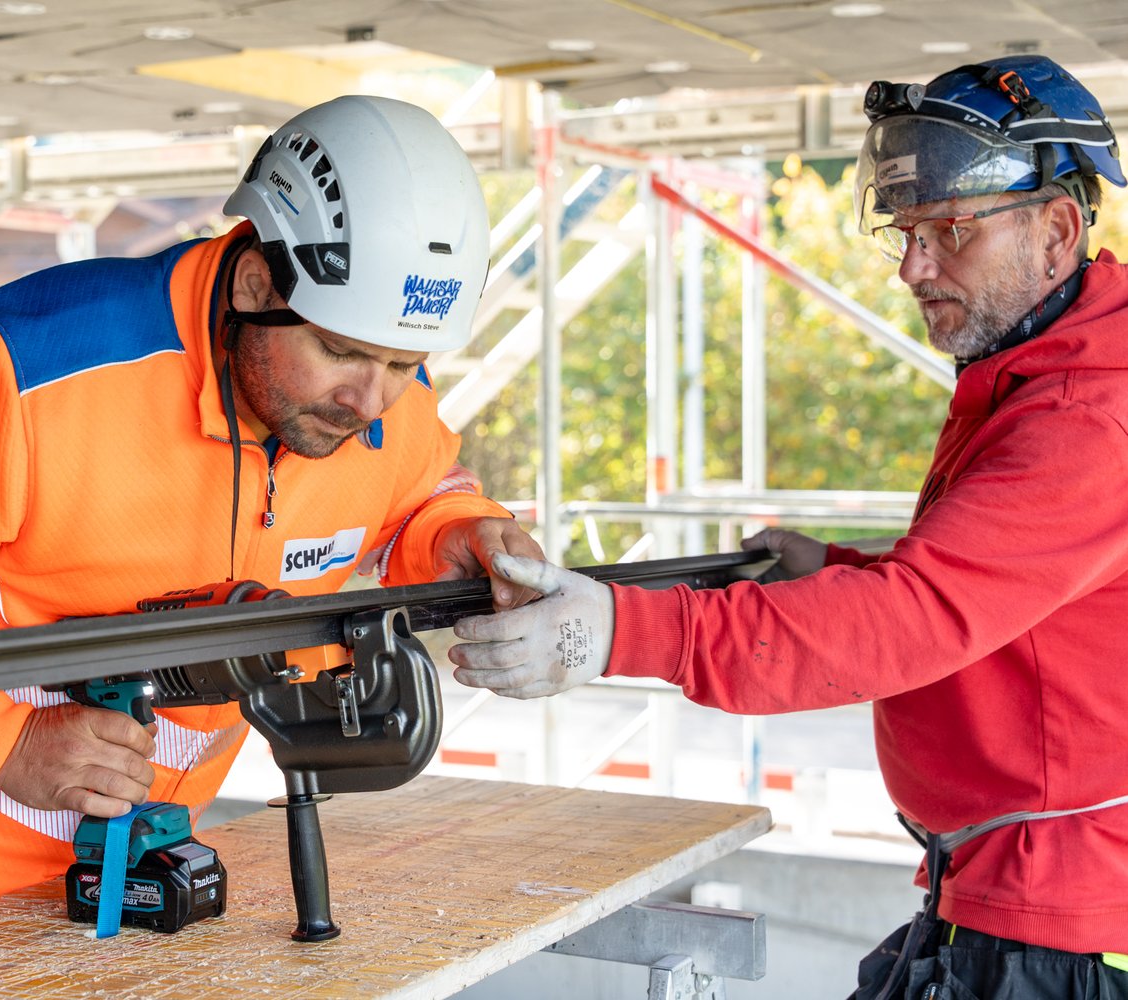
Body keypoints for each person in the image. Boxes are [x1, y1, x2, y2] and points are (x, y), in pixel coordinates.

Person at [0, 94, 542, 967]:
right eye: (345, 353)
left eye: (405, 364)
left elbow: (420, 484)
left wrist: (464, 531)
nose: (374, 401)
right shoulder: (32, 368)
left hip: (122, 897)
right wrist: (0, 739)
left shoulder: (365, 396)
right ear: (255, 285)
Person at [448, 54, 1128, 999]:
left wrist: (614, 631)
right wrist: (831, 571)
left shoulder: (1087, 419)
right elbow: (1003, 611)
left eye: (947, 231)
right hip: (1000, 889)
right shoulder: (1038, 379)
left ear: (1056, 231)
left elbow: (914, 620)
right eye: (904, 231)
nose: (911, 266)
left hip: (1056, 923)